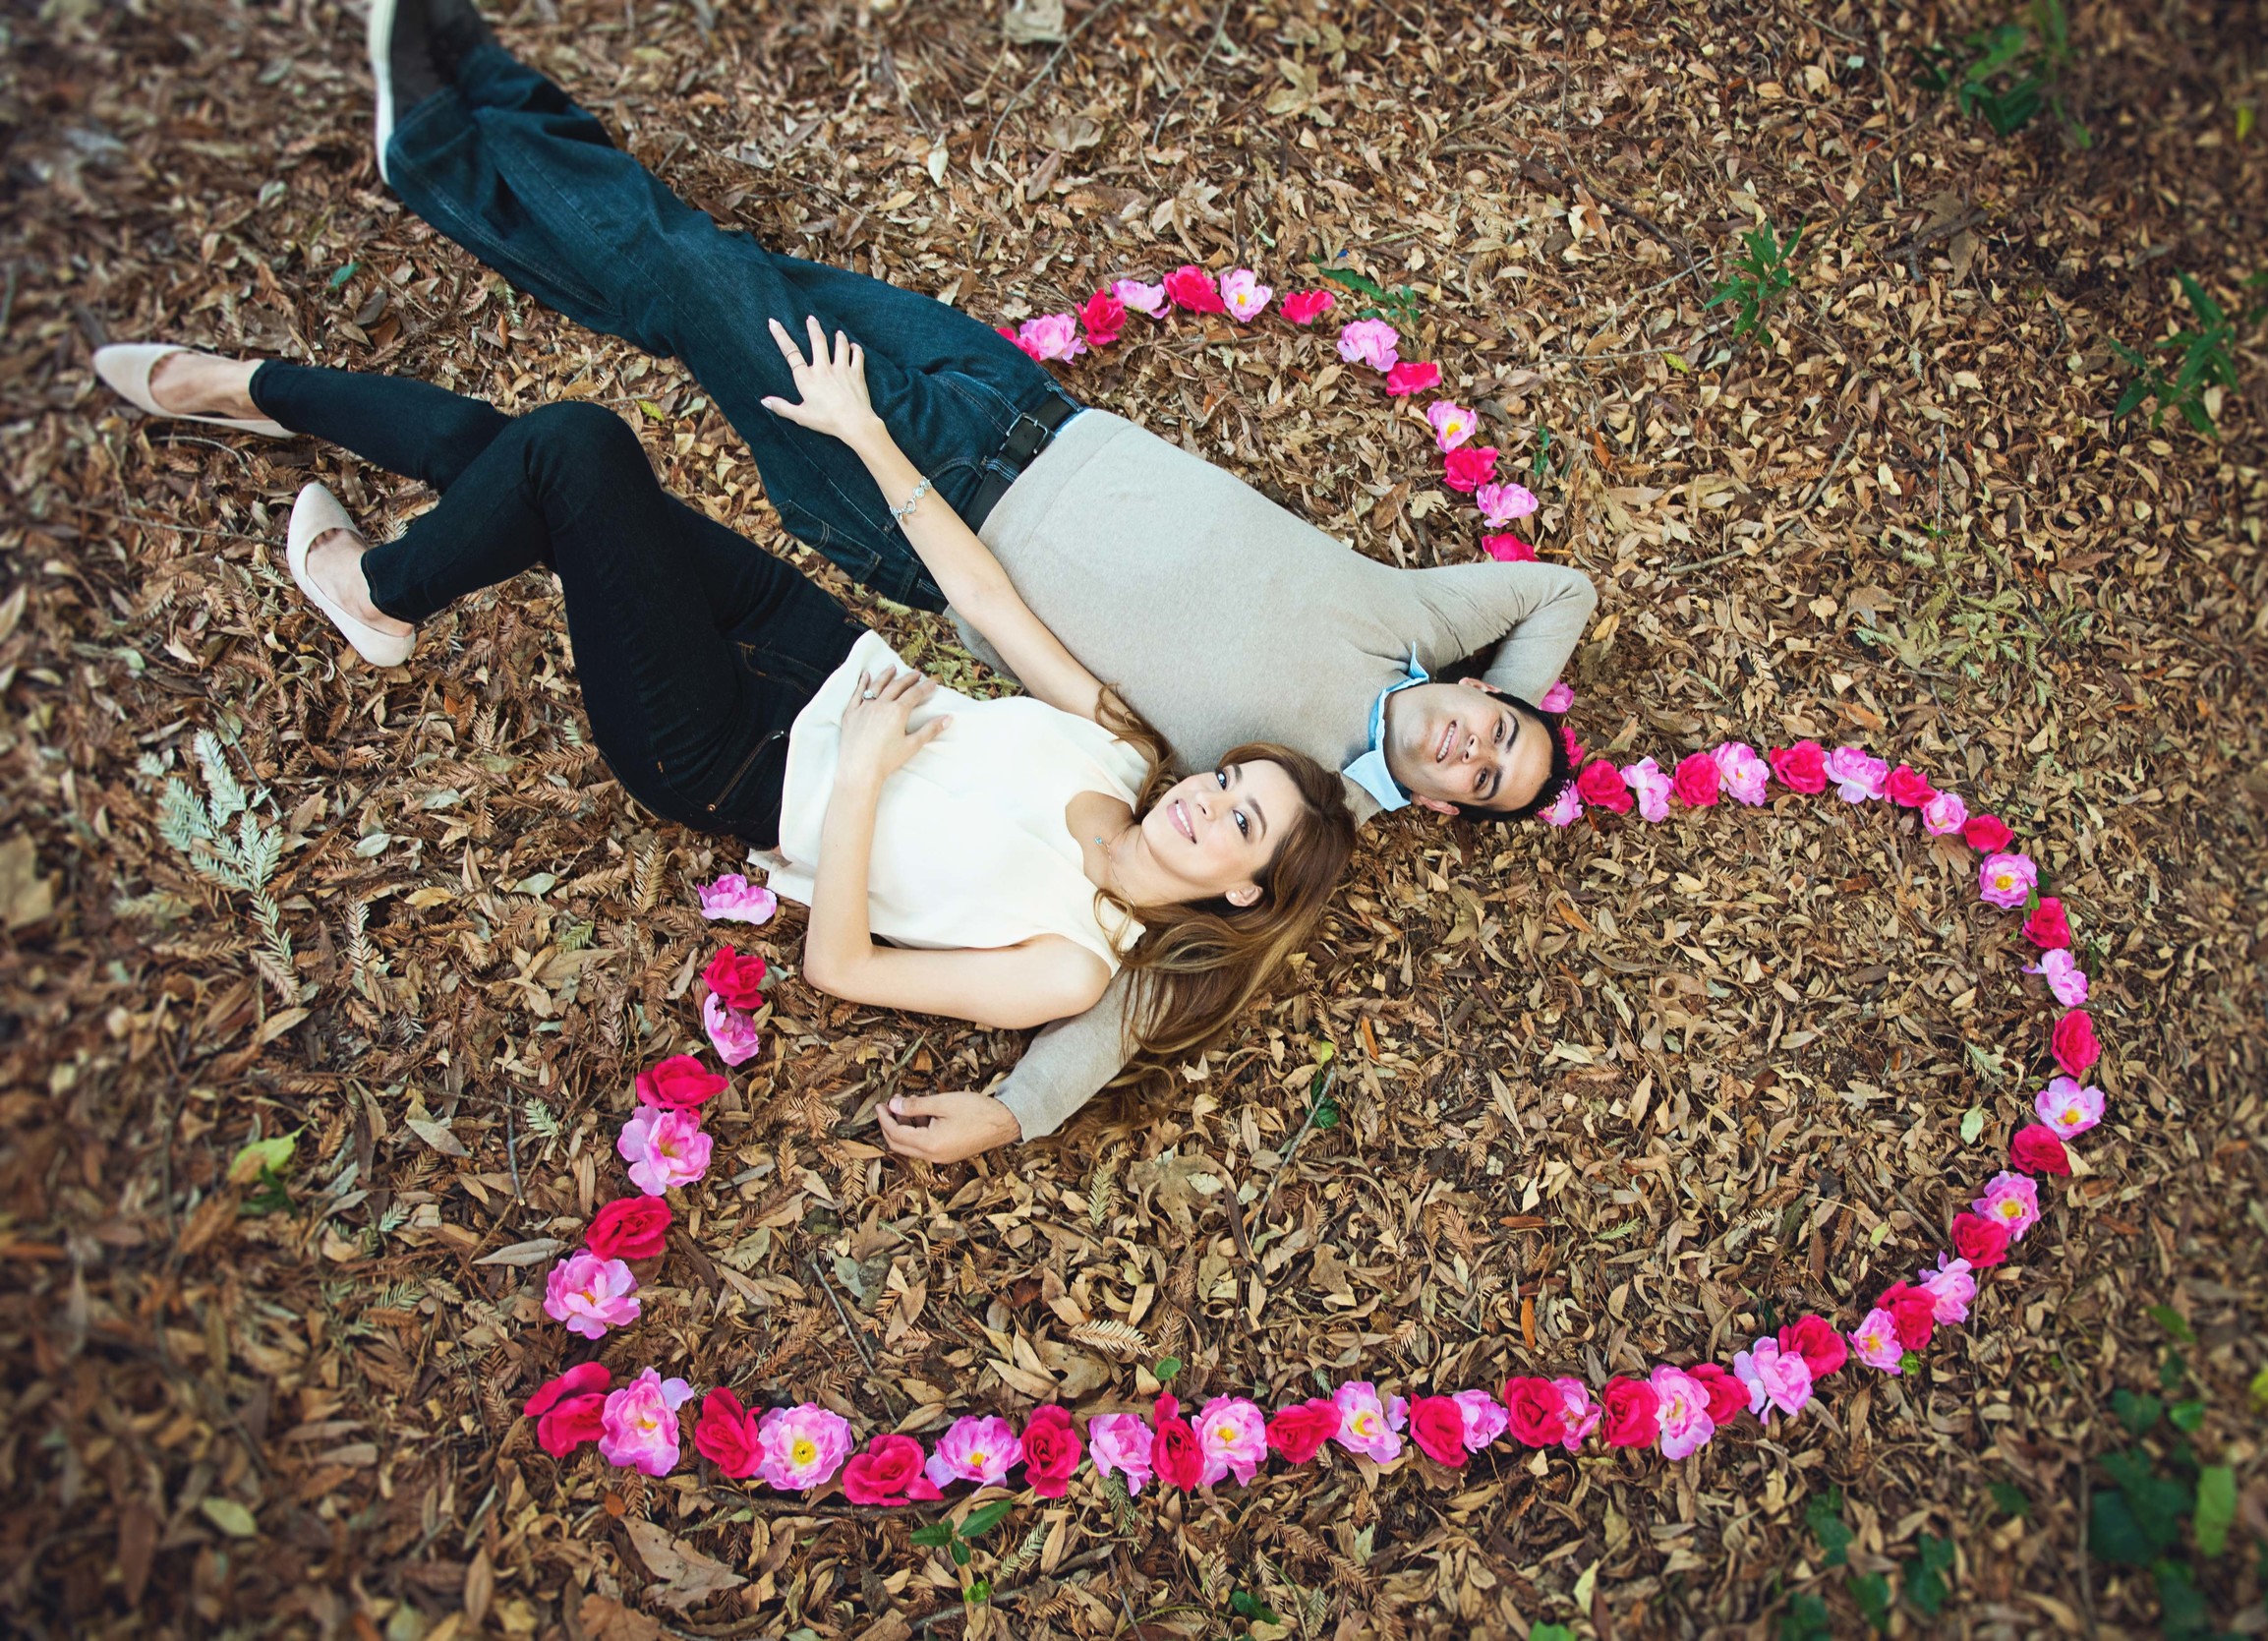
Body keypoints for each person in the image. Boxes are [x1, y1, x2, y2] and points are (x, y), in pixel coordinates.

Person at [345, 0, 1601, 1161]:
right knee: (706, 275)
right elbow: (1563, 593)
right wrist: (1520, 711)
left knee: (695, 280)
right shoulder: (1421, 631)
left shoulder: (1289, 821)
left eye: (1480, 777)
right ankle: (468, 110)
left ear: (1440, 808)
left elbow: (1144, 989)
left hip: (919, 509)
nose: (1472, 743)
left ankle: (450, 133)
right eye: (1495, 730)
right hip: (1023, 404)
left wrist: (1013, 1112)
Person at [90, 337, 1355, 1069]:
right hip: (813, 643)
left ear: (1245, 892)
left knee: (573, 451)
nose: (1208, 800)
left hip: (729, 754)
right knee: (516, 460)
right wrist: (863, 431)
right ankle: (253, 390)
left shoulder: (1071, 967)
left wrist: (859, 777)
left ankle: (374, 587)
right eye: (1232, 779)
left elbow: (845, 966)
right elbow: (991, 601)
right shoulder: (1126, 752)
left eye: (1241, 825)